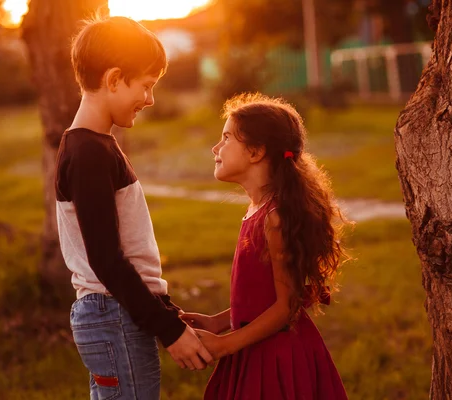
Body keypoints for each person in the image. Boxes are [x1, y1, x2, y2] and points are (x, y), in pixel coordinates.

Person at [54, 16, 212, 400]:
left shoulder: (94, 146)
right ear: (113, 80)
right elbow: (108, 261)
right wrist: (169, 330)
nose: (150, 99)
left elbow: (126, 252)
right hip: (113, 316)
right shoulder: (89, 153)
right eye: (145, 86)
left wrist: (166, 309)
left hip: (114, 314)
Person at [182, 93, 350, 400]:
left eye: (226, 138)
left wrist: (226, 344)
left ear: (256, 151)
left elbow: (286, 307)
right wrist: (218, 322)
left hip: (276, 356)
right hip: (255, 345)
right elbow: (263, 298)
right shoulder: (256, 210)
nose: (215, 148)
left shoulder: (275, 218)